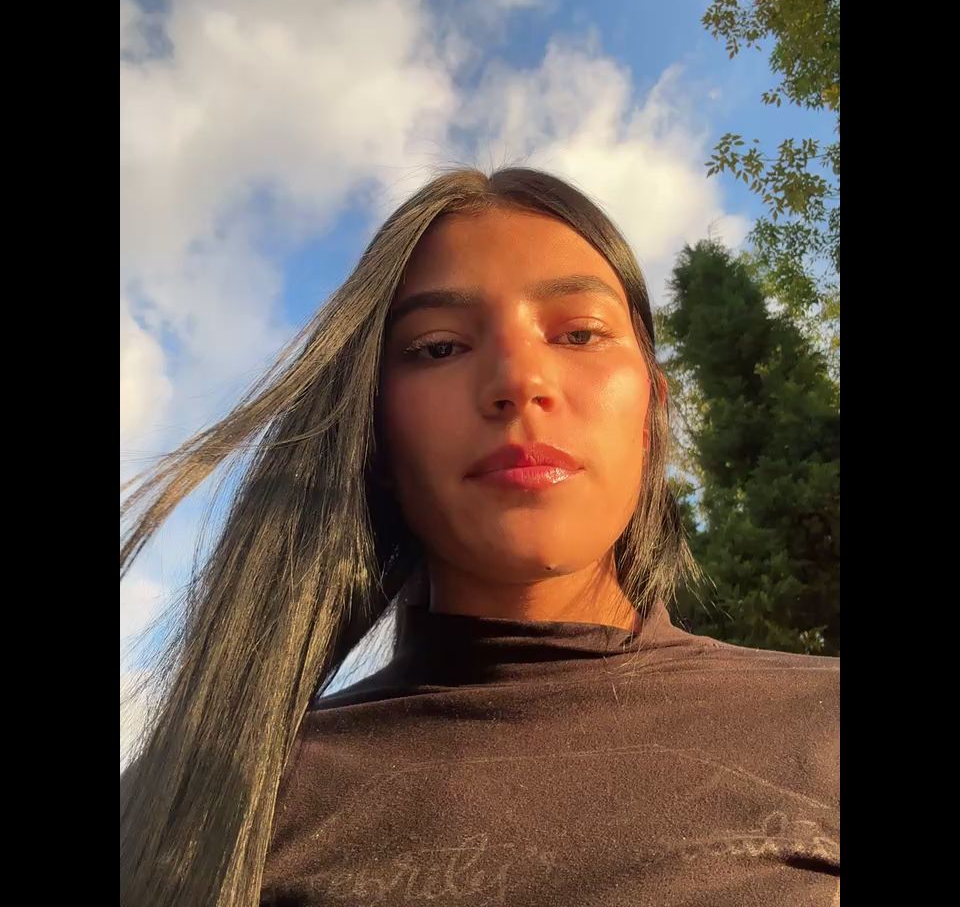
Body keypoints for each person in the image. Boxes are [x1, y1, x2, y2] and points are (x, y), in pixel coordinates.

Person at [120, 167, 839, 906]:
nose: (519, 379)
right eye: (438, 347)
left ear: (651, 413)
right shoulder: (196, 815)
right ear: (376, 433)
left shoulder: (825, 724)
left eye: (580, 333)